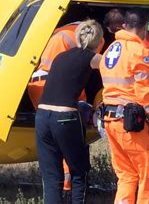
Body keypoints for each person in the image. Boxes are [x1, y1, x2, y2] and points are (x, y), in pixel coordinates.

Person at [100, 8, 149, 204]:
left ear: (124, 25)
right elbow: (145, 96)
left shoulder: (110, 49)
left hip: (111, 120)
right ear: (145, 27)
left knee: (126, 176)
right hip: (131, 124)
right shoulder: (140, 52)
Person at [35, 19, 104, 204]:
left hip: (42, 117)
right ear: (98, 42)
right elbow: (113, 69)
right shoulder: (92, 57)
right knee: (78, 173)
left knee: (52, 178)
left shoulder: (61, 56)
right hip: (64, 117)